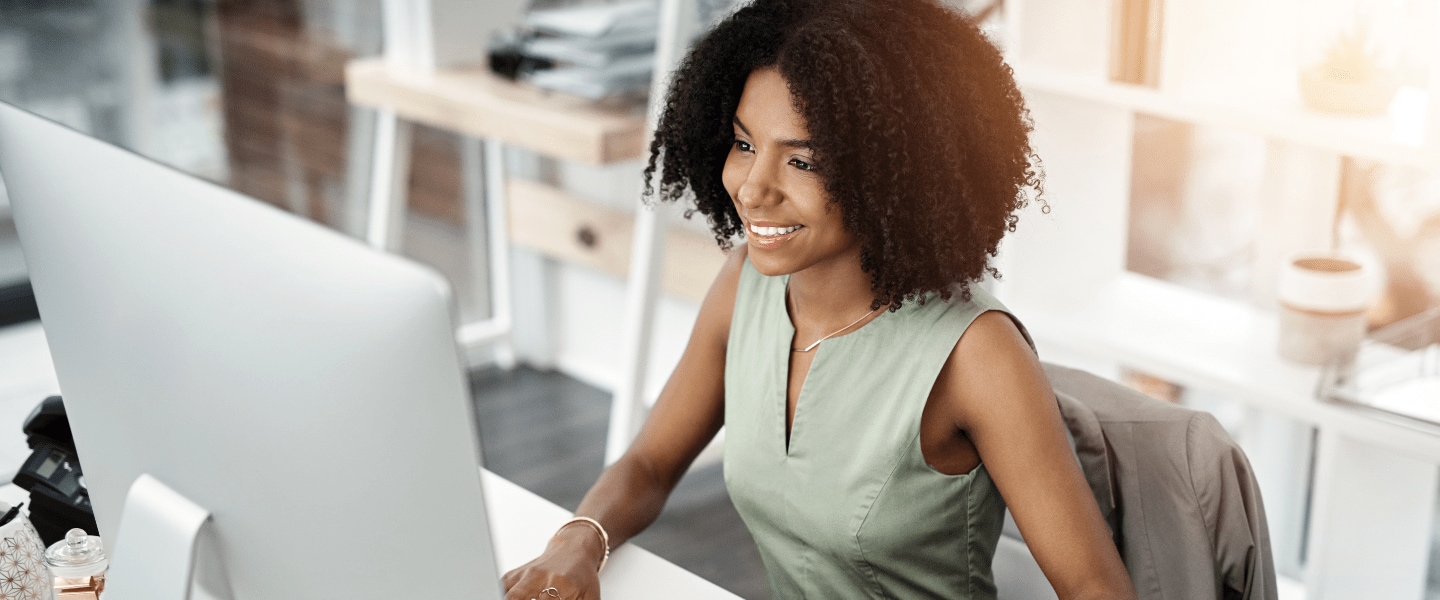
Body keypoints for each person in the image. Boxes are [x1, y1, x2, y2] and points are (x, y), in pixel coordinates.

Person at [503, 1, 1137, 598]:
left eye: (802, 162)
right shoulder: (745, 283)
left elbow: (1097, 590)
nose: (753, 190)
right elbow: (647, 463)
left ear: (892, 171)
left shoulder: (976, 355)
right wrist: (578, 542)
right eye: (746, 144)